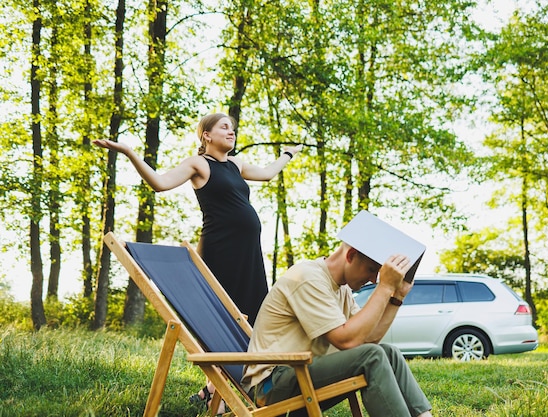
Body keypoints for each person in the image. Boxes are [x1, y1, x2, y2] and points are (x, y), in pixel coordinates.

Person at [94, 112, 302, 411]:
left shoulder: (236, 164)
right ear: (206, 135)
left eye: (233, 127)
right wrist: (129, 152)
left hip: (248, 254)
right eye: (224, 127)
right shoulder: (198, 164)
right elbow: (159, 183)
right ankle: (218, 397)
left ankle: (213, 393)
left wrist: (287, 154)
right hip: (220, 253)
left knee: (254, 317)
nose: (232, 131)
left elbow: (268, 173)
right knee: (223, 318)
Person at [241, 241, 434, 417]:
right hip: (270, 386)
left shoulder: (342, 290)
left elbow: (368, 339)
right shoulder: (307, 277)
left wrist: (396, 297)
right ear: (350, 256)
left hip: (298, 375)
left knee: (388, 352)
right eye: (371, 270)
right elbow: (346, 340)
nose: (373, 279)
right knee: (372, 356)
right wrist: (384, 287)